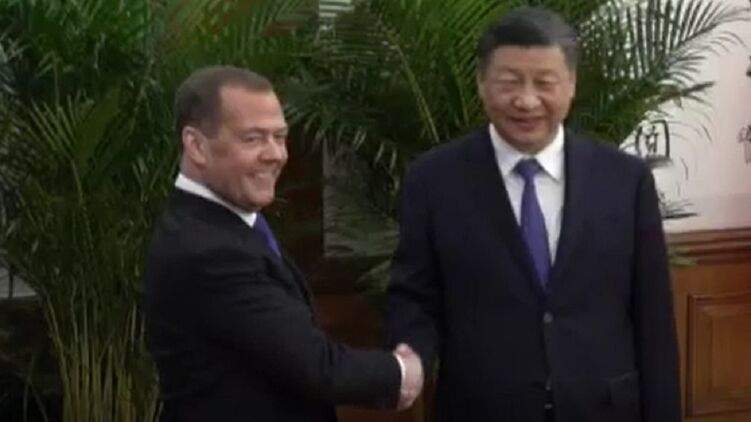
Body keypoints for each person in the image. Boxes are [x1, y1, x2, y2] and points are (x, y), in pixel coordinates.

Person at [386, 7, 681, 422]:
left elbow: (653, 319)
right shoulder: (434, 179)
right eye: (509, 82)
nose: (526, 101)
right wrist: (410, 351)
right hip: (482, 409)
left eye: (544, 83)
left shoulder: (625, 180)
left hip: (604, 409)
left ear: (571, 85)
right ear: (481, 82)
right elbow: (414, 293)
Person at [143, 65, 422, 422]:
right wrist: (402, 371)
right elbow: (316, 367)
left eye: (280, 136)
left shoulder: (225, 224)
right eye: (253, 139)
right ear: (196, 146)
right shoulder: (209, 251)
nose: (276, 154)